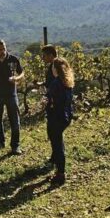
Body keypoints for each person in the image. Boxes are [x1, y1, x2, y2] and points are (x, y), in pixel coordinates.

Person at [45, 57, 75, 186]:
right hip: (66, 116)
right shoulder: (67, 80)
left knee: (57, 145)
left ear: (55, 69)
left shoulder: (56, 83)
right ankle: (59, 170)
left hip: (56, 117)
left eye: (52, 67)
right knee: (59, 142)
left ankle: (61, 174)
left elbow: (51, 101)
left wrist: (45, 101)